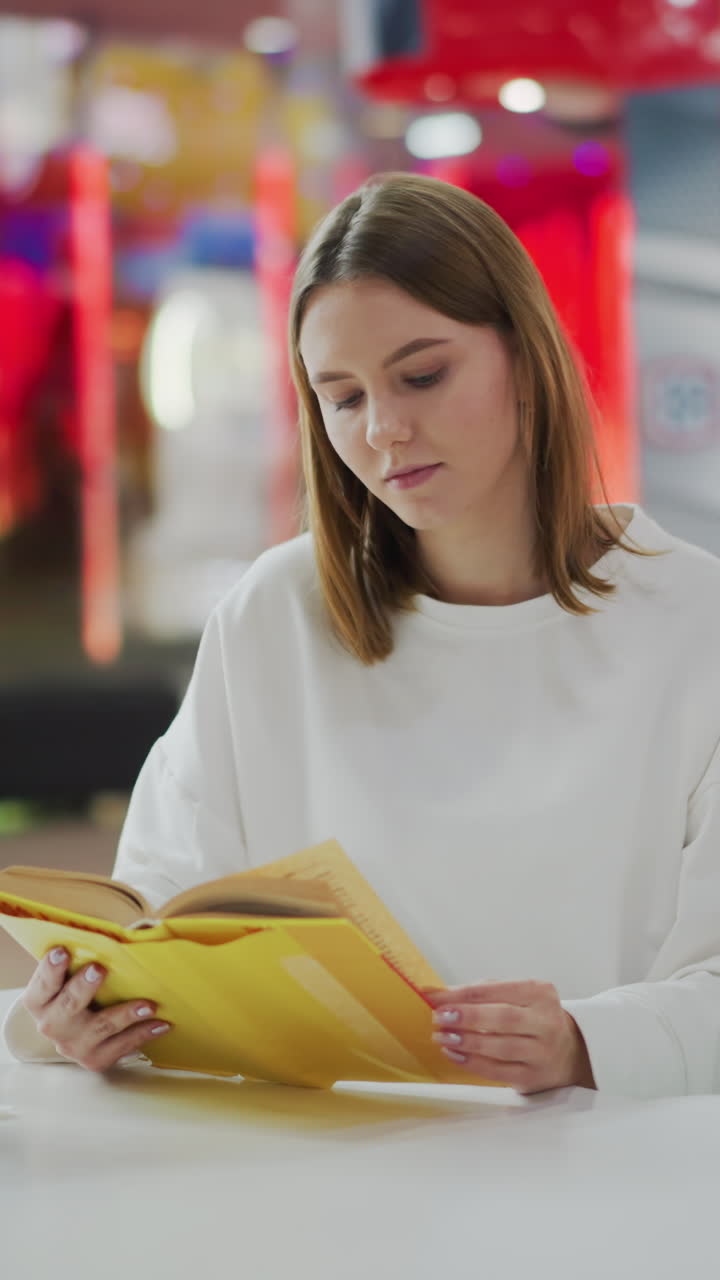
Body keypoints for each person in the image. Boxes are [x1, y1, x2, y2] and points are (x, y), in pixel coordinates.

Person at [4, 172, 720, 1097]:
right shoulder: (275, 614)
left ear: (526, 356)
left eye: (422, 376)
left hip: (606, 1165)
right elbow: (155, 917)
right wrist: (85, 1010)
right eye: (342, 397)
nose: (385, 430)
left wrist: (583, 1041)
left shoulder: (693, 622)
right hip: (323, 1164)